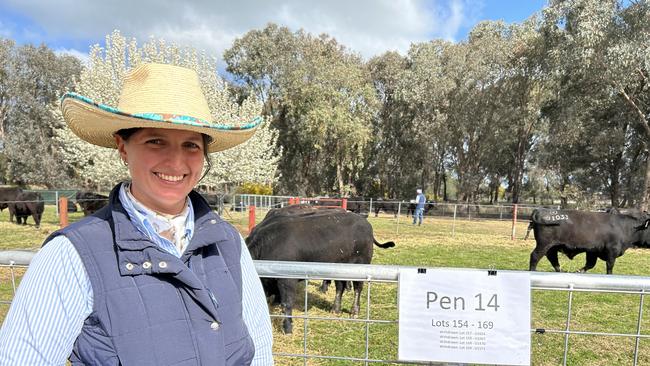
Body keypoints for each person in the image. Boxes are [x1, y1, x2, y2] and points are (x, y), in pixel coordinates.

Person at [0, 63, 274, 365]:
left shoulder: (229, 244)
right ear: (122, 147)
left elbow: (259, 353)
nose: (176, 162)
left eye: (191, 145)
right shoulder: (71, 255)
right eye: (155, 141)